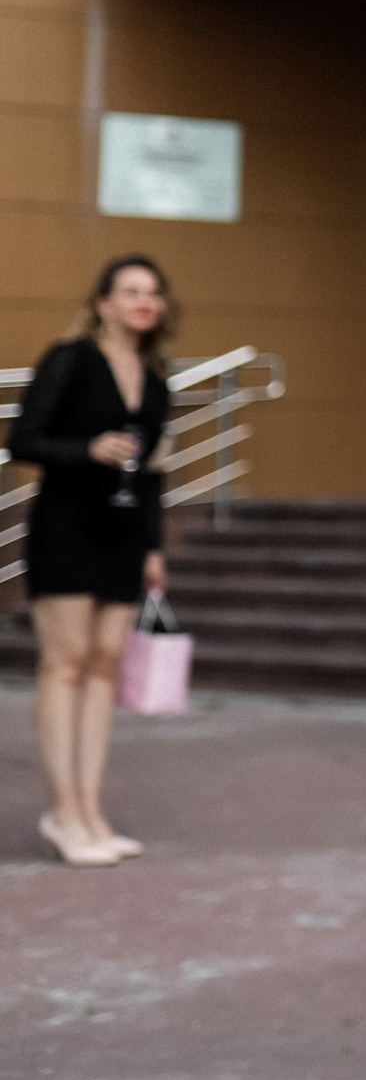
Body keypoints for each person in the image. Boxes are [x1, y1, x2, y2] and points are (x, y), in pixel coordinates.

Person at [11, 255, 175, 867]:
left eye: (152, 293)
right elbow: (22, 439)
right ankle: (63, 811)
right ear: (103, 302)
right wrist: (88, 448)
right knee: (66, 663)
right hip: (65, 525)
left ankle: (90, 810)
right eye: (130, 291)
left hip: (124, 533)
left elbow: (155, 473)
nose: (143, 301)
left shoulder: (158, 381)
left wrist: (154, 548)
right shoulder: (71, 358)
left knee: (104, 667)